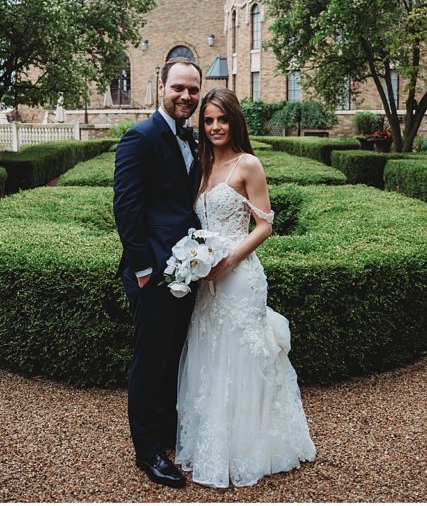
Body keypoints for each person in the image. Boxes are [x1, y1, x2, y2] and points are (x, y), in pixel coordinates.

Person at [176, 87, 316, 488]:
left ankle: (251, 445)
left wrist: (228, 261)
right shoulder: (201, 165)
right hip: (207, 280)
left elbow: (266, 225)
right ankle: (212, 444)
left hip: (239, 277)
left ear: (235, 121)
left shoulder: (248, 164)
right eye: (208, 120)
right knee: (210, 353)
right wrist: (197, 261)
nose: (215, 126)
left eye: (222, 119)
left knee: (242, 356)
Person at [113, 58, 202, 489]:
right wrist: (144, 271)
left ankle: (167, 432)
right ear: (161, 86)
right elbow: (126, 210)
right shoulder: (140, 138)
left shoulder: (195, 139)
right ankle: (147, 450)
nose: (186, 96)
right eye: (179, 88)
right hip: (153, 275)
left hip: (187, 272)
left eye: (193, 90)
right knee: (149, 361)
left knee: (173, 357)